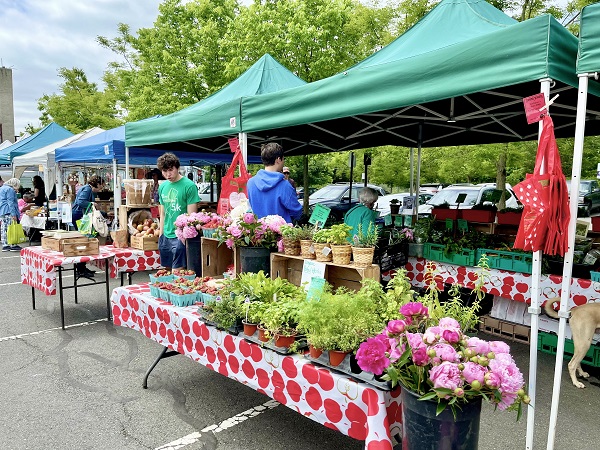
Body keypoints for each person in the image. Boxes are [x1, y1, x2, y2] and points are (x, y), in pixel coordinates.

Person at [157, 153, 200, 271]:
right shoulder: (162, 187)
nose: (168, 174)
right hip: (166, 235)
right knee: (166, 271)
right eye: (164, 171)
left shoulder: (189, 186)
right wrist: (161, 235)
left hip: (180, 236)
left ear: (178, 168)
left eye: (171, 170)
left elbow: (192, 217)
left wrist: (185, 238)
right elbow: (163, 213)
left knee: (178, 273)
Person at [247, 143, 303, 223]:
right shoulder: (284, 185)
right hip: (282, 232)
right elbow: (297, 211)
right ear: (278, 160)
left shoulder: (250, 183)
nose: (283, 162)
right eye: (283, 159)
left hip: (259, 232)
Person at [71, 175, 104, 278]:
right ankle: (80, 269)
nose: (101, 188)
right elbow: (81, 202)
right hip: (80, 217)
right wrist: (92, 203)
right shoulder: (87, 189)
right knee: (84, 242)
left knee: (83, 242)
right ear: (97, 184)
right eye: (101, 186)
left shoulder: (87, 188)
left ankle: (81, 267)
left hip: (79, 216)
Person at [0, 178, 23, 252]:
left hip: (2, 211)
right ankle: (13, 244)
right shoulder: (10, 190)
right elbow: (11, 202)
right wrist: (14, 214)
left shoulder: (2, 188)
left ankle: (5, 245)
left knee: (4, 228)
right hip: (9, 211)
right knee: (11, 227)